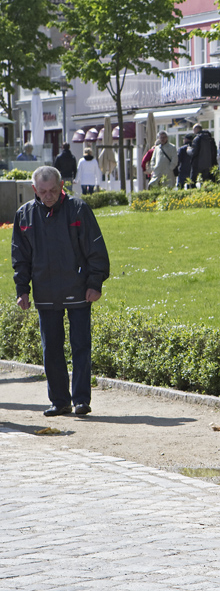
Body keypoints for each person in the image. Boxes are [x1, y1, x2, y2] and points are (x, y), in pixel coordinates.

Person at [11, 166, 110, 417]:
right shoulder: (24, 215)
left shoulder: (78, 209)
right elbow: (20, 258)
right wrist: (22, 290)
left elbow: (96, 250)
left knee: (80, 346)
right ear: (34, 189)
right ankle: (59, 401)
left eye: (53, 190)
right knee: (51, 348)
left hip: (78, 289)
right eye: (42, 191)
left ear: (62, 185)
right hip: (45, 291)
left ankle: (81, 400)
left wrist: (94, 284)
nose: (48, 195)